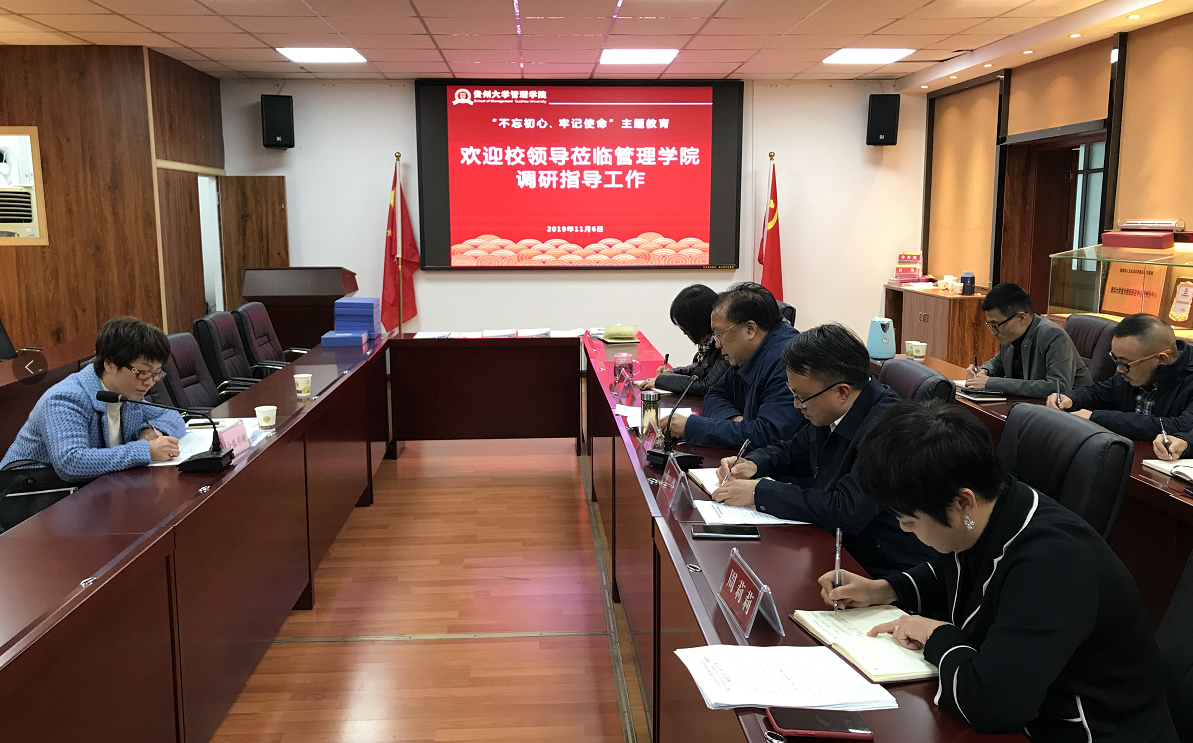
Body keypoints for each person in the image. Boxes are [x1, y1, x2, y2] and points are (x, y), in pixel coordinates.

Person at [818, 400, 1177, 741]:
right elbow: (955, 570)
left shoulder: (1053, 563)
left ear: (963, 502)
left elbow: (993, 705)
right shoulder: (994, 509)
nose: (903, 529)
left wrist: (936, 634)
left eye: (909, 521)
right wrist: (882, 589)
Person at [712, 323, 938, 574]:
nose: (796, 405)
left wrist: (759, 492)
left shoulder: (889, 430)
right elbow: (794, 450)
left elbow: (846, 510)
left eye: (801, 397)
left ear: (842, 392)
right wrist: (754, 463)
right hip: (839, 545)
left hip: (880, 566)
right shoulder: (831, 407)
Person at [1, 317, 185, 482]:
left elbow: (172, 416)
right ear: (110, 364)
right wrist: (145, 451)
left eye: (156, 374)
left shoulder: (126, 393)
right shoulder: (65, 399)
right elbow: (71, 462)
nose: (149, 382)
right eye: (142, 372)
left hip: (89, 491)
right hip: (28, 496)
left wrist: (148, 430)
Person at [665, 282, 802, 450]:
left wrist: (692, 427)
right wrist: (735, 421)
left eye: (719, 334)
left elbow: (768, 435)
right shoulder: (746, 353)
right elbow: (714, 394)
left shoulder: (788, 361)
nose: (717, 344)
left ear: (750, 329)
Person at [1048, 313, 1193, 440]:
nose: (1119, 369)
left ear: (1161, 359)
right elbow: (1099, 393)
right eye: (1116, 359)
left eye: (1125, 363)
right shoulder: (1131, 371)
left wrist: (1095, 417)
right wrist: (1071, 398)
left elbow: (1181, 426)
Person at [965, 282, 1092, 397]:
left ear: (1021, 317)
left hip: (1071, 411)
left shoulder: (1052, 335)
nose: (993, 332)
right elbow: (998, 363)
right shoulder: (1010, 335)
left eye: (996, 325)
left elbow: (1058, 387)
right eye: (990, 325)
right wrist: (983, 371)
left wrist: (991, 383)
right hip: (1029, 405)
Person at [638, 284, 730, 396]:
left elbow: (706, 386)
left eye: (686, 328)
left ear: (699, 323)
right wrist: (672, 373)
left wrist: (662, 381)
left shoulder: (724, 344)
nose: (684, 333)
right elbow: (700, 367)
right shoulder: (707, 342)